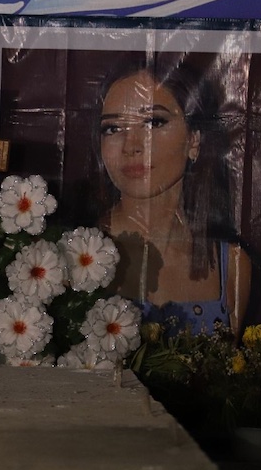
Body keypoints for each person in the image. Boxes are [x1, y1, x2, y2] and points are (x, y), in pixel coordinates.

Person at [88, 56, 252, 335]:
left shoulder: (233, 267)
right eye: (113, 128)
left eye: (153, 122)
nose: (131, 145)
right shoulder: (73, 256)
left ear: (194, 140)